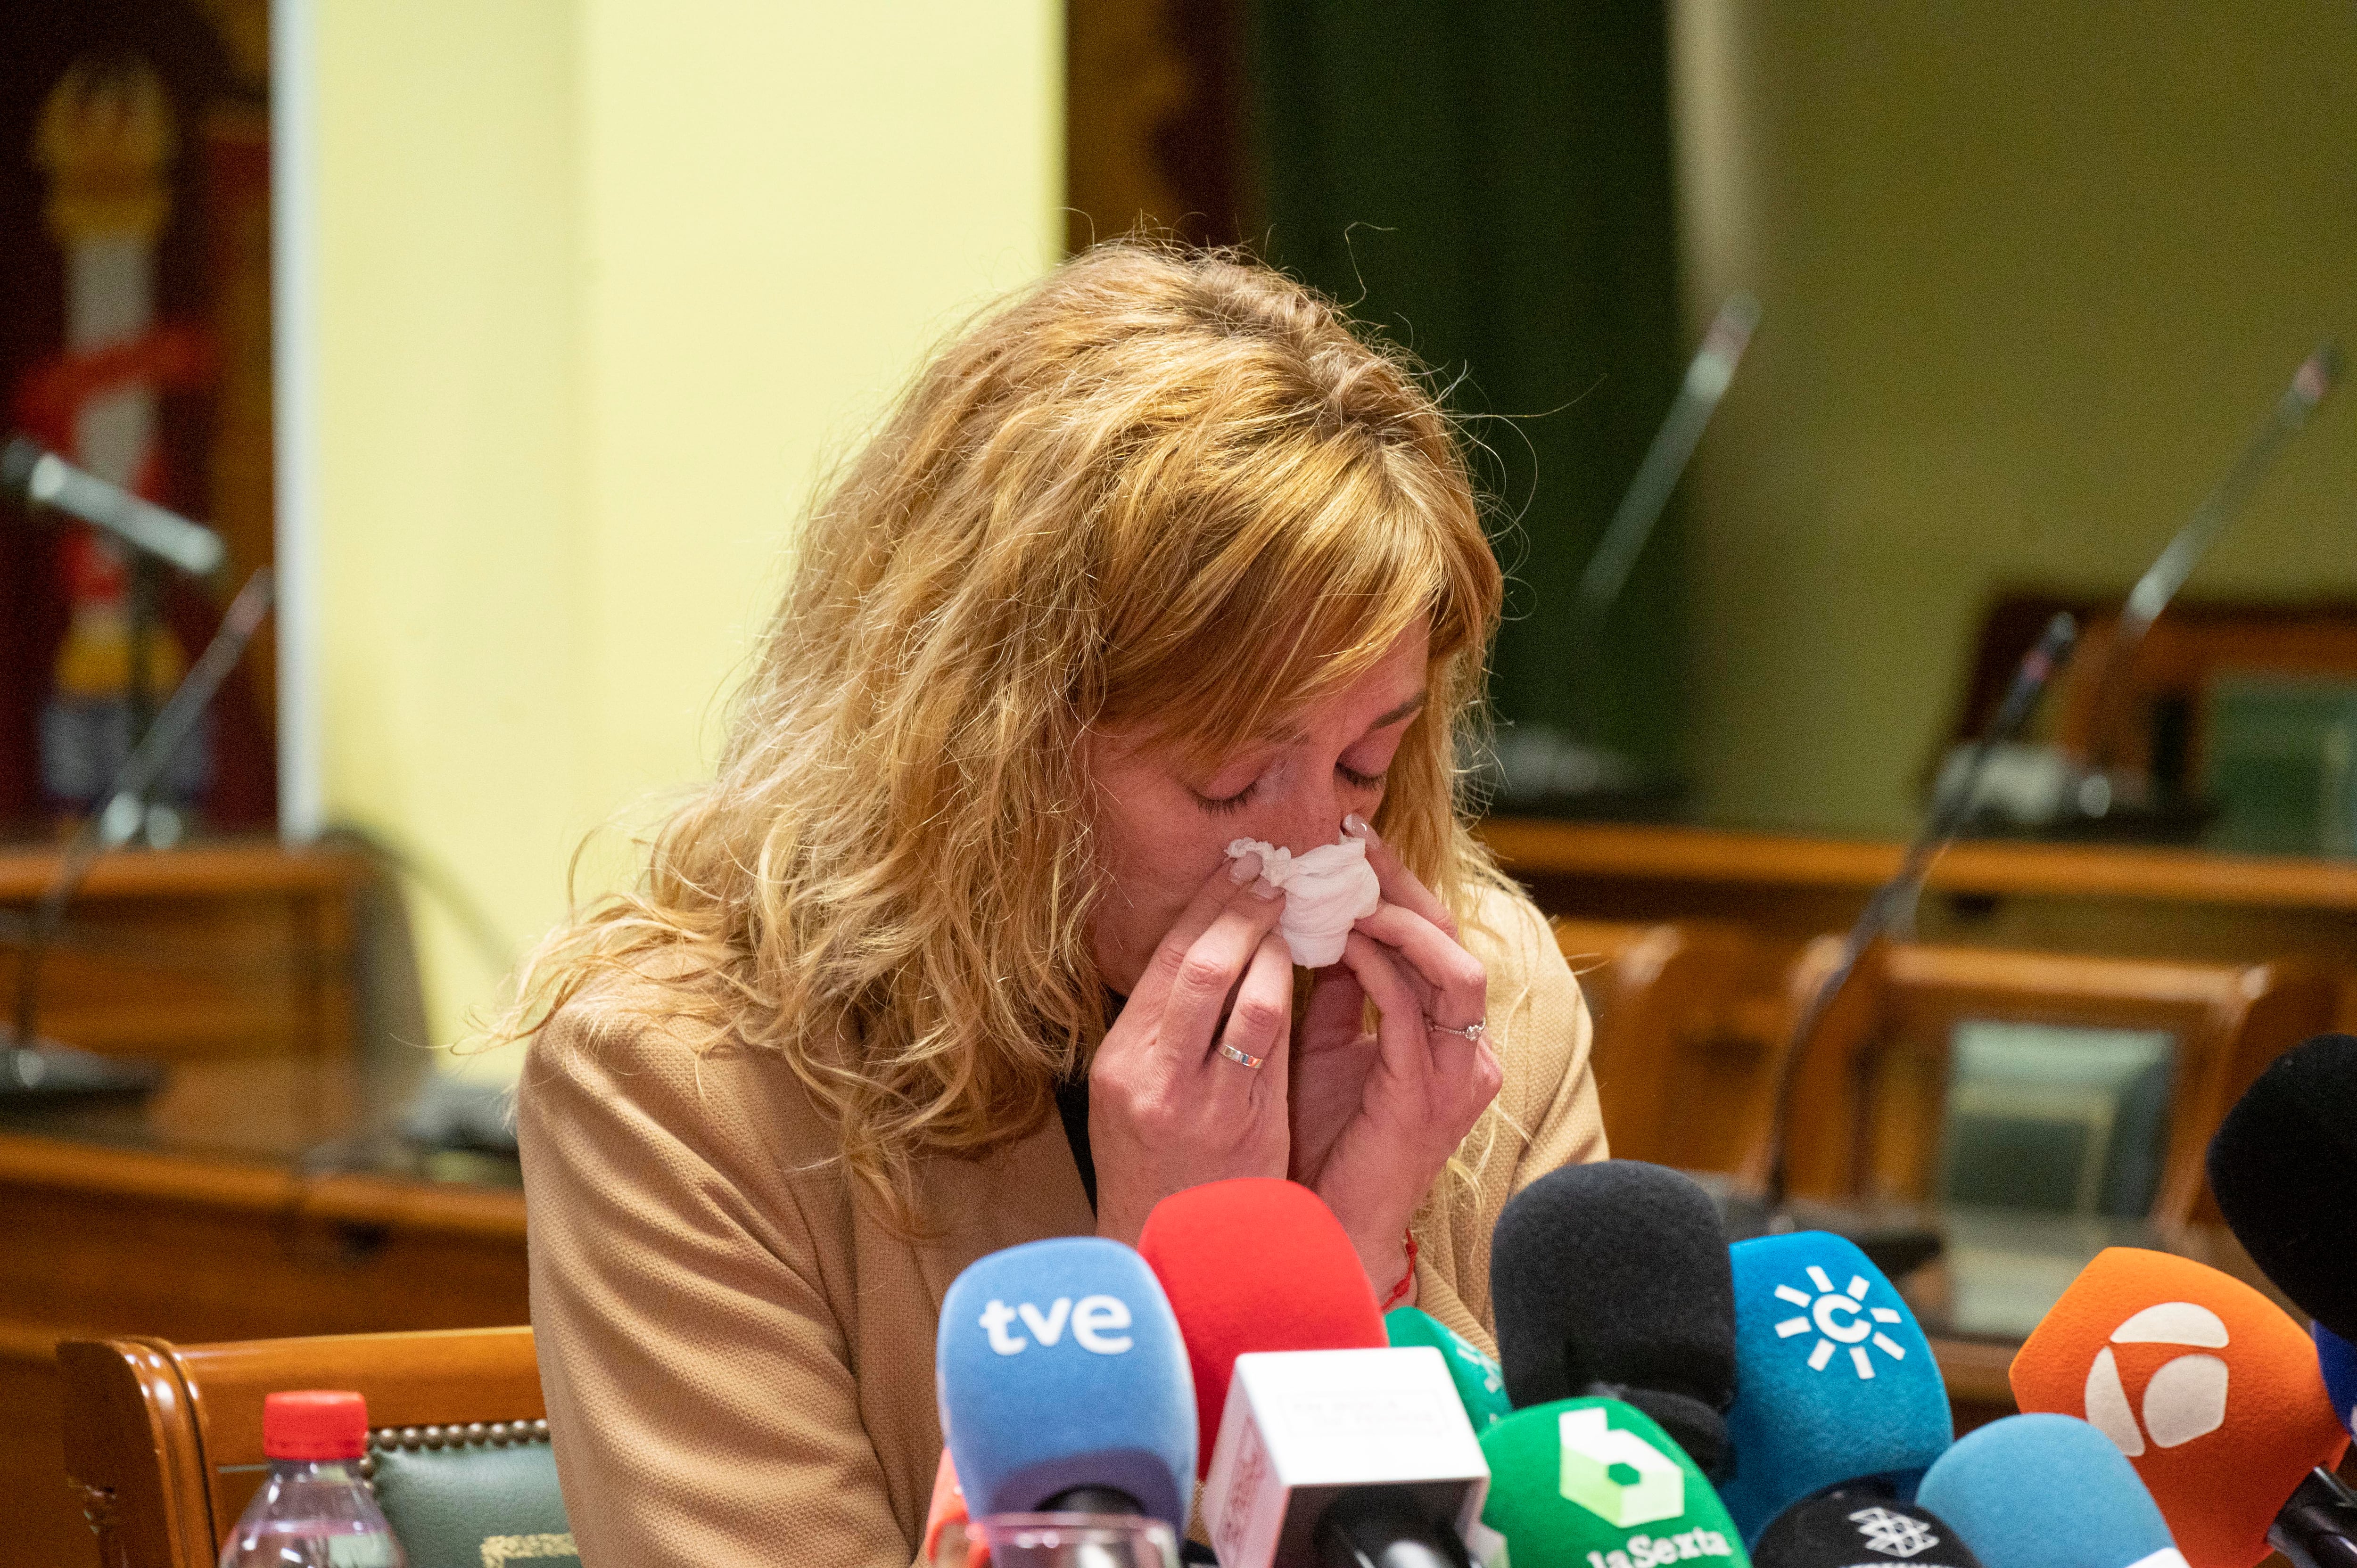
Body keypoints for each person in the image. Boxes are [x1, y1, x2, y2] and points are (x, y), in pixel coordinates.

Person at [511, 242, 1606, 1566]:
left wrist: (1339, 1257)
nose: (1321, 842)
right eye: (1230, 780)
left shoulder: (1485, 1015)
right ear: (987, 745)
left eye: (1366, 760)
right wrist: (1147, 1288)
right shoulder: (682, 1090)